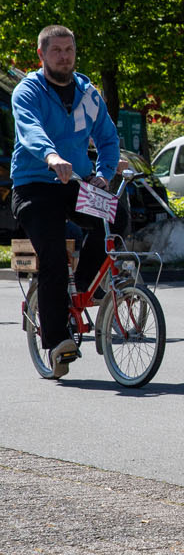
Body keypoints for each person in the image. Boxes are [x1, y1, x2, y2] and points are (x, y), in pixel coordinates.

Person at [10, 25, 120, 379]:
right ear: (41, 55)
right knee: (53, 253)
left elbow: (108, 138)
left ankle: (83, 293)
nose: (64, 56)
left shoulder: (88, 93)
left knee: (114, 225)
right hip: (35, 186)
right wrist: (51, 157)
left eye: (69, 49)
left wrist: (103, 174)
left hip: (75, 183)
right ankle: (57, 339)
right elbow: (30, 130)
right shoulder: (29, 91)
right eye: (56, 50)